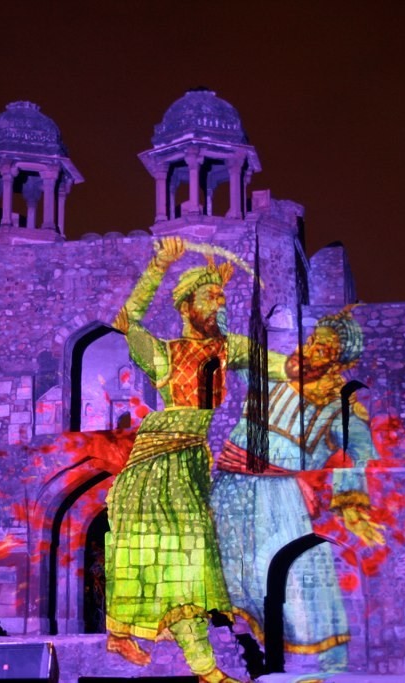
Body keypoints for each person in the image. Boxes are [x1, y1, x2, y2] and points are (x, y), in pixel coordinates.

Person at [104, 237, 282, 683]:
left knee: (186, 562)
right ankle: (200, 667)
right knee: (175, 558)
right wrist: (161, 263)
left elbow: (276, 363)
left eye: (222, 299)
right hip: (155, 459)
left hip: (190, 460)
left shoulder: (229, 348)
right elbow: (127, 319)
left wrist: (313, 371)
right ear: (185, 305)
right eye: (210, 297)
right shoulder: (162, 353)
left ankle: (137, 637)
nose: (219, 306)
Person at [211, 309, 384, 672]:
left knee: (280, 575)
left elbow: (360, 452)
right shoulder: (274, 372)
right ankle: (233, 642)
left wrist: (350, 502)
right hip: (231, 486)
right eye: (312, 342)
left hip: (279, 494)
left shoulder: (340, 405)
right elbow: (237, 354)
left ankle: (290, 660)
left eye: (323, 350)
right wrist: (218, 320)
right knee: (221, 567)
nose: (311, 352)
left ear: (336, 362)